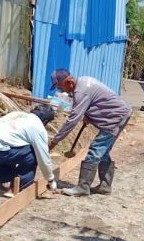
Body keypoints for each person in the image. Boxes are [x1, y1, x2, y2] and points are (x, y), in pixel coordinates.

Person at [48, 69, 132, 197]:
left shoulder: (80, 92)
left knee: (95, 149)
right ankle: (105, 186)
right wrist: (89, 115)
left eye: (61, 87)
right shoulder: (83, 82)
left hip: (116, 117)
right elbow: (97, 101)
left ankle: (83, 187)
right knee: (102, 152)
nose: (61, 91)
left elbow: (72, 121)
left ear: (69, 82)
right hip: (118, 114)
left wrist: (55, 141)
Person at [0, 104, 57, 194]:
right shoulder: (38, 128)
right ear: (45, 121)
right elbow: (43, 157)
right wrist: (50, 179)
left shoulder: (17, 115)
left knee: (11, 149)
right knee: (32, 155)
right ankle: (16, 189)